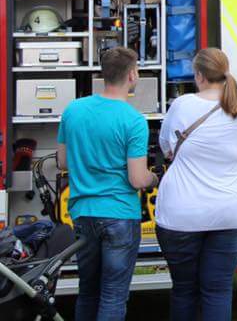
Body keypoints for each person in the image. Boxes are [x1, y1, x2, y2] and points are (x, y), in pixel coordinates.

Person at [56, 47, 157, 321]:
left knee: (87, 291)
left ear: (103, 74)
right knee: (113, 295)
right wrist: (154, 177)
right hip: (119, 215)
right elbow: (137, 179)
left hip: (82, 213)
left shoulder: (73, 110)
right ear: (133, 75)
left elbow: (63, 162)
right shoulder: (134, 121)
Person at [155, 48, 237, 321]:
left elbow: (166, 147)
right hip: (232, 212)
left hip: (182, 214)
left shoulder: (182, 105)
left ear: (198, 75)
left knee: (185, 290)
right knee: (218, 291)